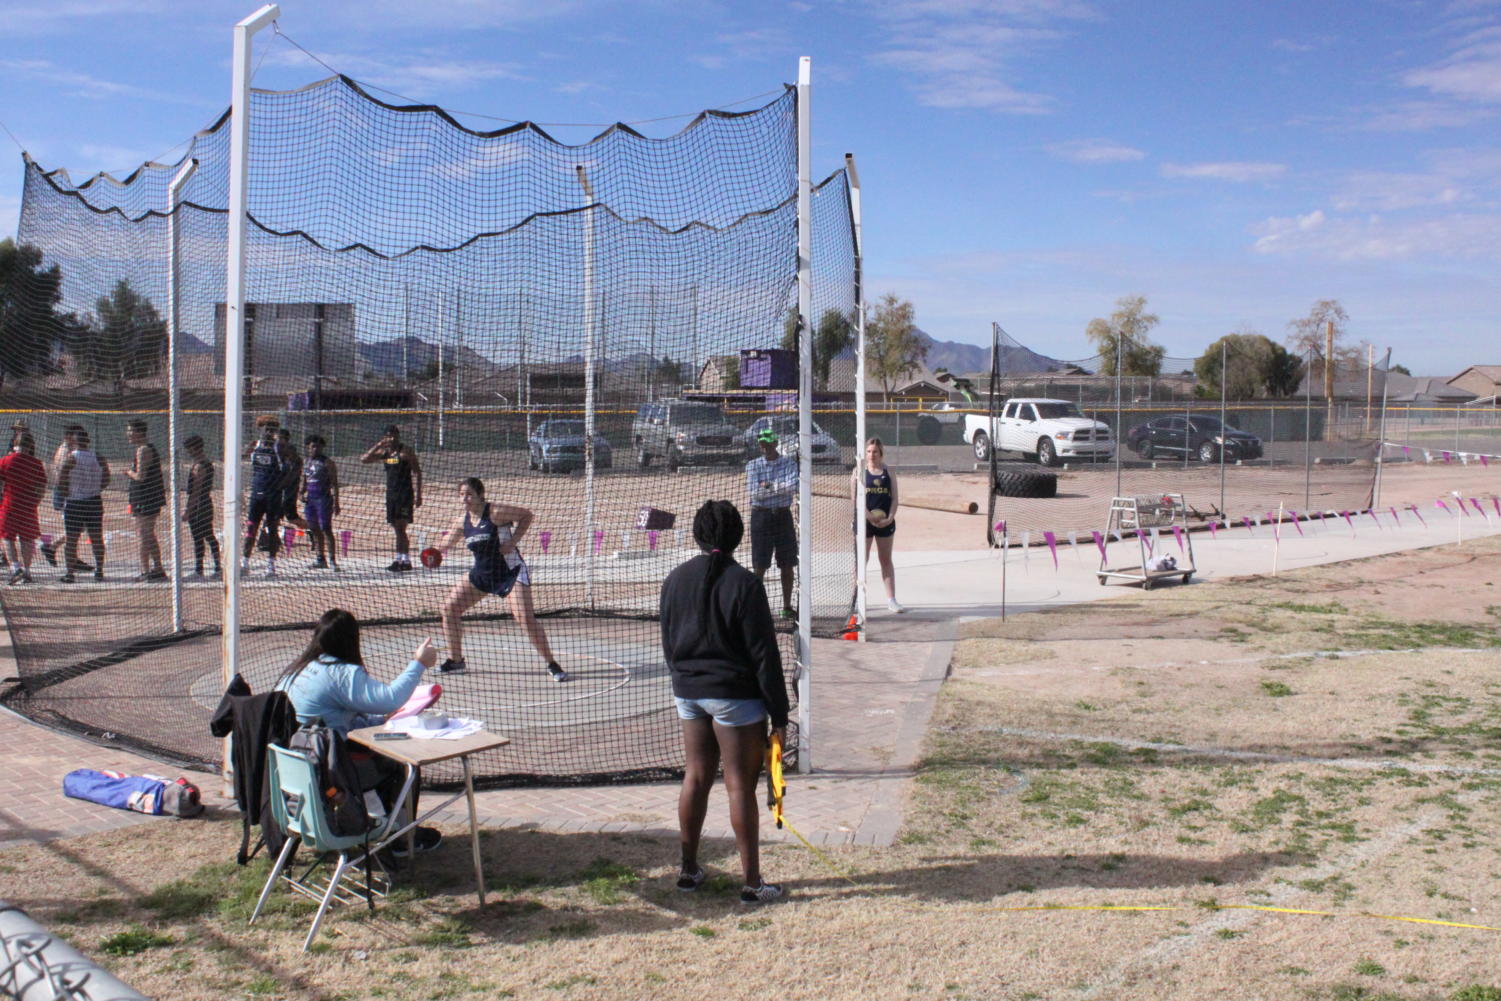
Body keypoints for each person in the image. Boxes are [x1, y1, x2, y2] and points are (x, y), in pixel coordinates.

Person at [659, 499, 788, 904]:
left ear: (699, 535)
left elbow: (667, 640)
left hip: (689, 693)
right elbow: (765, 655)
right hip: (735, 697)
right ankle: (751, 883)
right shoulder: (746, 584)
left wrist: (685, 680)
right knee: (739, 785)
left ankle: (688, 870)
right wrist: (780, 714)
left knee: (695, 776)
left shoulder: (675, 579)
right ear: (737, 537)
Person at [276, 608, 443, 855]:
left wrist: (378, 718)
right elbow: (390, 699)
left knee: (375, 751)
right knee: (404, 764)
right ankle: (401, 838)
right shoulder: (342, 674)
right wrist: (418, 664)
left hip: (295, 766)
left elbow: (334, 720)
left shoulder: (298, 669)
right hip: (331, 772)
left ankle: (378, 822)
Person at [434, 477, 565, 681]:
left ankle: (552, 663)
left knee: (524, 617)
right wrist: (432, 553)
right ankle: (456, 661)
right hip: (482, 574)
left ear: (480, 495)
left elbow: (526, 515)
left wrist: (513, 541)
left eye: (469, 494)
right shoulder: (463, 521)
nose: (465, 499)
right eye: (461, 495)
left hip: (510, 573)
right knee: (449, 609)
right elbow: (445, 544)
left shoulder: (495, 512)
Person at [744, 427, 798, 619]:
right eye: (762, 443)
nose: (765, 446)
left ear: (776, 443)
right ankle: (755, 606)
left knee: (787, 563)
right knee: (760, 564)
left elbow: (792, 487)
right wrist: (778, 489)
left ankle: (787, 606)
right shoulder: (753, 466)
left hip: (783, 516)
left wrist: (768, 486)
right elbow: (754, 493)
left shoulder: (789, 463)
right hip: (761, 517)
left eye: (769, 442)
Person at [852, 436, 903, 613]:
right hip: (865, 522)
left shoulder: (888, 472)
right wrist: (868, 516)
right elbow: (855, 499)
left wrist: (890, 517)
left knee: (885, 560)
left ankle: (892, 600)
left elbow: (895, 498)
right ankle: (857, 601)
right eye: (868, 451)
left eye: (875, 451)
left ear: (881, 453)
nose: (872, 455)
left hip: (884, 522)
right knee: (861, 561)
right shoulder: (858, 472)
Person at [361, 425, 422, 573]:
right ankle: (399, 558)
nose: (392, 438)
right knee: (396, 528)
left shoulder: (405, 452)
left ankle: (404, 560)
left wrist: (419, 494)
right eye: (388, 436)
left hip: (405, 494)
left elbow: (417, 472)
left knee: (401, 527)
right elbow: (364, 459)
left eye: (394, 435)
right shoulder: (385, 453)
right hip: (391, 495)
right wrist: (378, 445)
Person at [57, 429, 109, 583]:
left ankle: (70, 573)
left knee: (72, 539)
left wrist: (66, 492)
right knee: (96, 537)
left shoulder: (71, 458)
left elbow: (61, 479)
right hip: (94, 500)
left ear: (74, 442)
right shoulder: (98, 457)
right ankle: (99, 570)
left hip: (75, 502)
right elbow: (107, 477)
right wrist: (97, 488)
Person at [0, 432, 47, 585]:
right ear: (31, 445)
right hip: (28, 505)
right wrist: (36, 501)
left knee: (7, 537)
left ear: (15, 443)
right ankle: (27, 570)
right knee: (27, 538)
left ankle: (15, 567)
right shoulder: (36, 463)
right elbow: (41, 487)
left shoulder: (5, 460)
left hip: (9, 504)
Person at [123, 419, 167, 582]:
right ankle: (157, 568)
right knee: (148, 534)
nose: (128, 435)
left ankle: (146, 570)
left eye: (131, 431)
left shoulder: (144, 450)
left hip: (146, 497)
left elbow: (140, 476)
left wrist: (128, 472)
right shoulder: (142, 449)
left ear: (140, 432)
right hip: (146, 496)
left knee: (143, 534)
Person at [242, 416, 286, 576]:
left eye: (272, 429)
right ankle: (245, 563)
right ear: (260, 429)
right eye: (266, 429)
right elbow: (240, 456)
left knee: (272, 530)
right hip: (256, 495)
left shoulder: (279, 447)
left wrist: (282, 486)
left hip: (273, 496)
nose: (268, 432)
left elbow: (294, 466)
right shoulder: (254, 445)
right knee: (251, 528)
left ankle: (271, 566)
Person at [40, 424, 86, 570]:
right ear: (68, 436)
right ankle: (51, 548)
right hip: (66, 493)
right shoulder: (66, 450)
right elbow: (61, 476)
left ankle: (71, 556)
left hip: (71, 492)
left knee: (77, 527)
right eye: (75, 435)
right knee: (75, 528)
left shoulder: (70, 450)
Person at [182, 434, 222, 578]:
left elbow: (196, 491)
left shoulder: (200, 466)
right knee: (205, 536)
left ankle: (205, 570)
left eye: (189, 449)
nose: (188, 452)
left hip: (201, 505)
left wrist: (188, 510)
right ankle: (210, 568)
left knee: (203, 537)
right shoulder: (202, 463)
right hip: (203, 503)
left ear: (194, 448)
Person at [301, 434, 341, 571]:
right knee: (314, 529)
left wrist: (336, 502)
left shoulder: (327, 462)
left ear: (322, 447)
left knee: (326, 529)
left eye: (318, 446)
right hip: (310, 499)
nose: (315, 449)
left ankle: (333, 560)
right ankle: (320, 558)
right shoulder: (307, 462)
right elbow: (305, 479)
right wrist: (301, 493)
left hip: (323, 499)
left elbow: (335, 484)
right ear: (308, 447)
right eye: (312, 446)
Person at [276, 428, 308, 535]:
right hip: (281, 490)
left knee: (292, 517)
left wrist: (282, 485)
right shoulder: (278, 452)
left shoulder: (290, 452)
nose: (277, 441)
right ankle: (270, 538)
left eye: (280, 438)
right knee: (275, 516)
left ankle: (316, 531)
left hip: (288, 491)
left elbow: (294, 473)